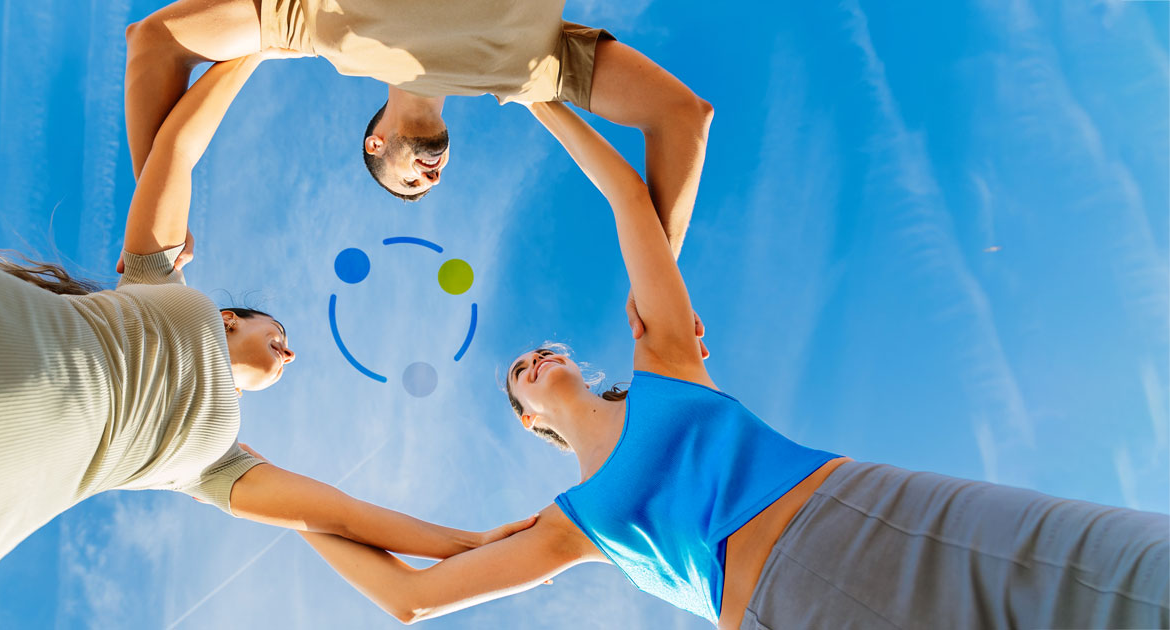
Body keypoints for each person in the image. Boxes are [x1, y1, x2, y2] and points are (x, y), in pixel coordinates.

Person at [0, 51, 529, 629]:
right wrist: (267, 38)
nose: (290, 351)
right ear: (227, 316)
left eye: (287, 345)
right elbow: (180, 146)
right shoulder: (156, 285)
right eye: (281, 328)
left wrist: (481, 545)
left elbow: (346, 518)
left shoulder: (214, 462)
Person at [287, 100, 1170, 629]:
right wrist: (290, 510)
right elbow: (413, 602)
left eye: (539, 351)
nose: (536, 360)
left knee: (1130, 574)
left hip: (868, 506)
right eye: (519, 373)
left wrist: (539, 99)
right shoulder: (573, 523)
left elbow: (631, 198)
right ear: (531, 421)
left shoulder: (667, 366)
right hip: (791, 602)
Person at [125, 0, 706, 213]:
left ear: (375, 143)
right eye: (433, 184)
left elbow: (156, 43)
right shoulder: (532, 74)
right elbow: (683, 118)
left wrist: (153, 214)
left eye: (408, 184)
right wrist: (661, 280)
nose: (429, 178)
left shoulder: (310, 26)